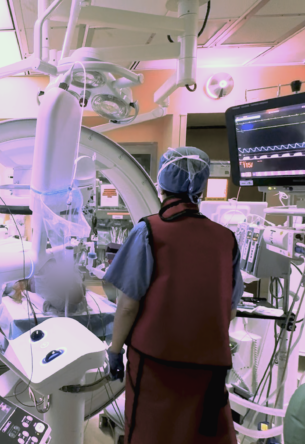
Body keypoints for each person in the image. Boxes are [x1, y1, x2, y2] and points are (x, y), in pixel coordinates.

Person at [103, 147, 243, 444]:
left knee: (151, 433)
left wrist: (115, 350)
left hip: (155, 364)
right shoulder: (226, 239)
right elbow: (229, 309)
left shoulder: (149, 231)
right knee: (196, 436)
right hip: (209, 366)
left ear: (161, 184)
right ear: (202, 187)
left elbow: (127, 305)